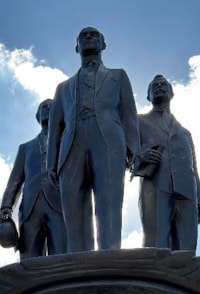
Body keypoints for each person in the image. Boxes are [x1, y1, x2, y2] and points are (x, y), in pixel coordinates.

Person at [47, 27, 140, 252]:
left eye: (94, 35)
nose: (88, 38)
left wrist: (135, 149)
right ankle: (78, 260)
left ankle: (110, 255)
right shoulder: (63, 88)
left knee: (109, 201)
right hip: (72, 144)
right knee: (73, 207)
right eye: (83, 36)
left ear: (103, 45)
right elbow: (55, 128)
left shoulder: (118, 76)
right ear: (77, 47)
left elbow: (129, 114)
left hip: (108, 139)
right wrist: (51, 162)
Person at [132, 75, 200, 250]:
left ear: (172, 93)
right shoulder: (138, 122)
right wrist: (140, 155)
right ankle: (153, 276)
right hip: (156, 186)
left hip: (187, 189)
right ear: (148, 96)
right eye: (154, 85)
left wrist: (199, 199)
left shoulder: (185, 133)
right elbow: (126, 152)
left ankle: (186, 276)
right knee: (156, 244)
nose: (159, 87)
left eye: (164, 85)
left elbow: (194, 167)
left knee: (188, 247)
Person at [0, 99, 66, 259]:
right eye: (43, 107)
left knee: (61, 257)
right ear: (38, 115)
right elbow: (15, 181)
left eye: (51, 107)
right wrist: (6, 207)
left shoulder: (68, 142)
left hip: (59, 205)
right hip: (30, 208)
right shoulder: (26, 148)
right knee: (29, 258)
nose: (47, 109)